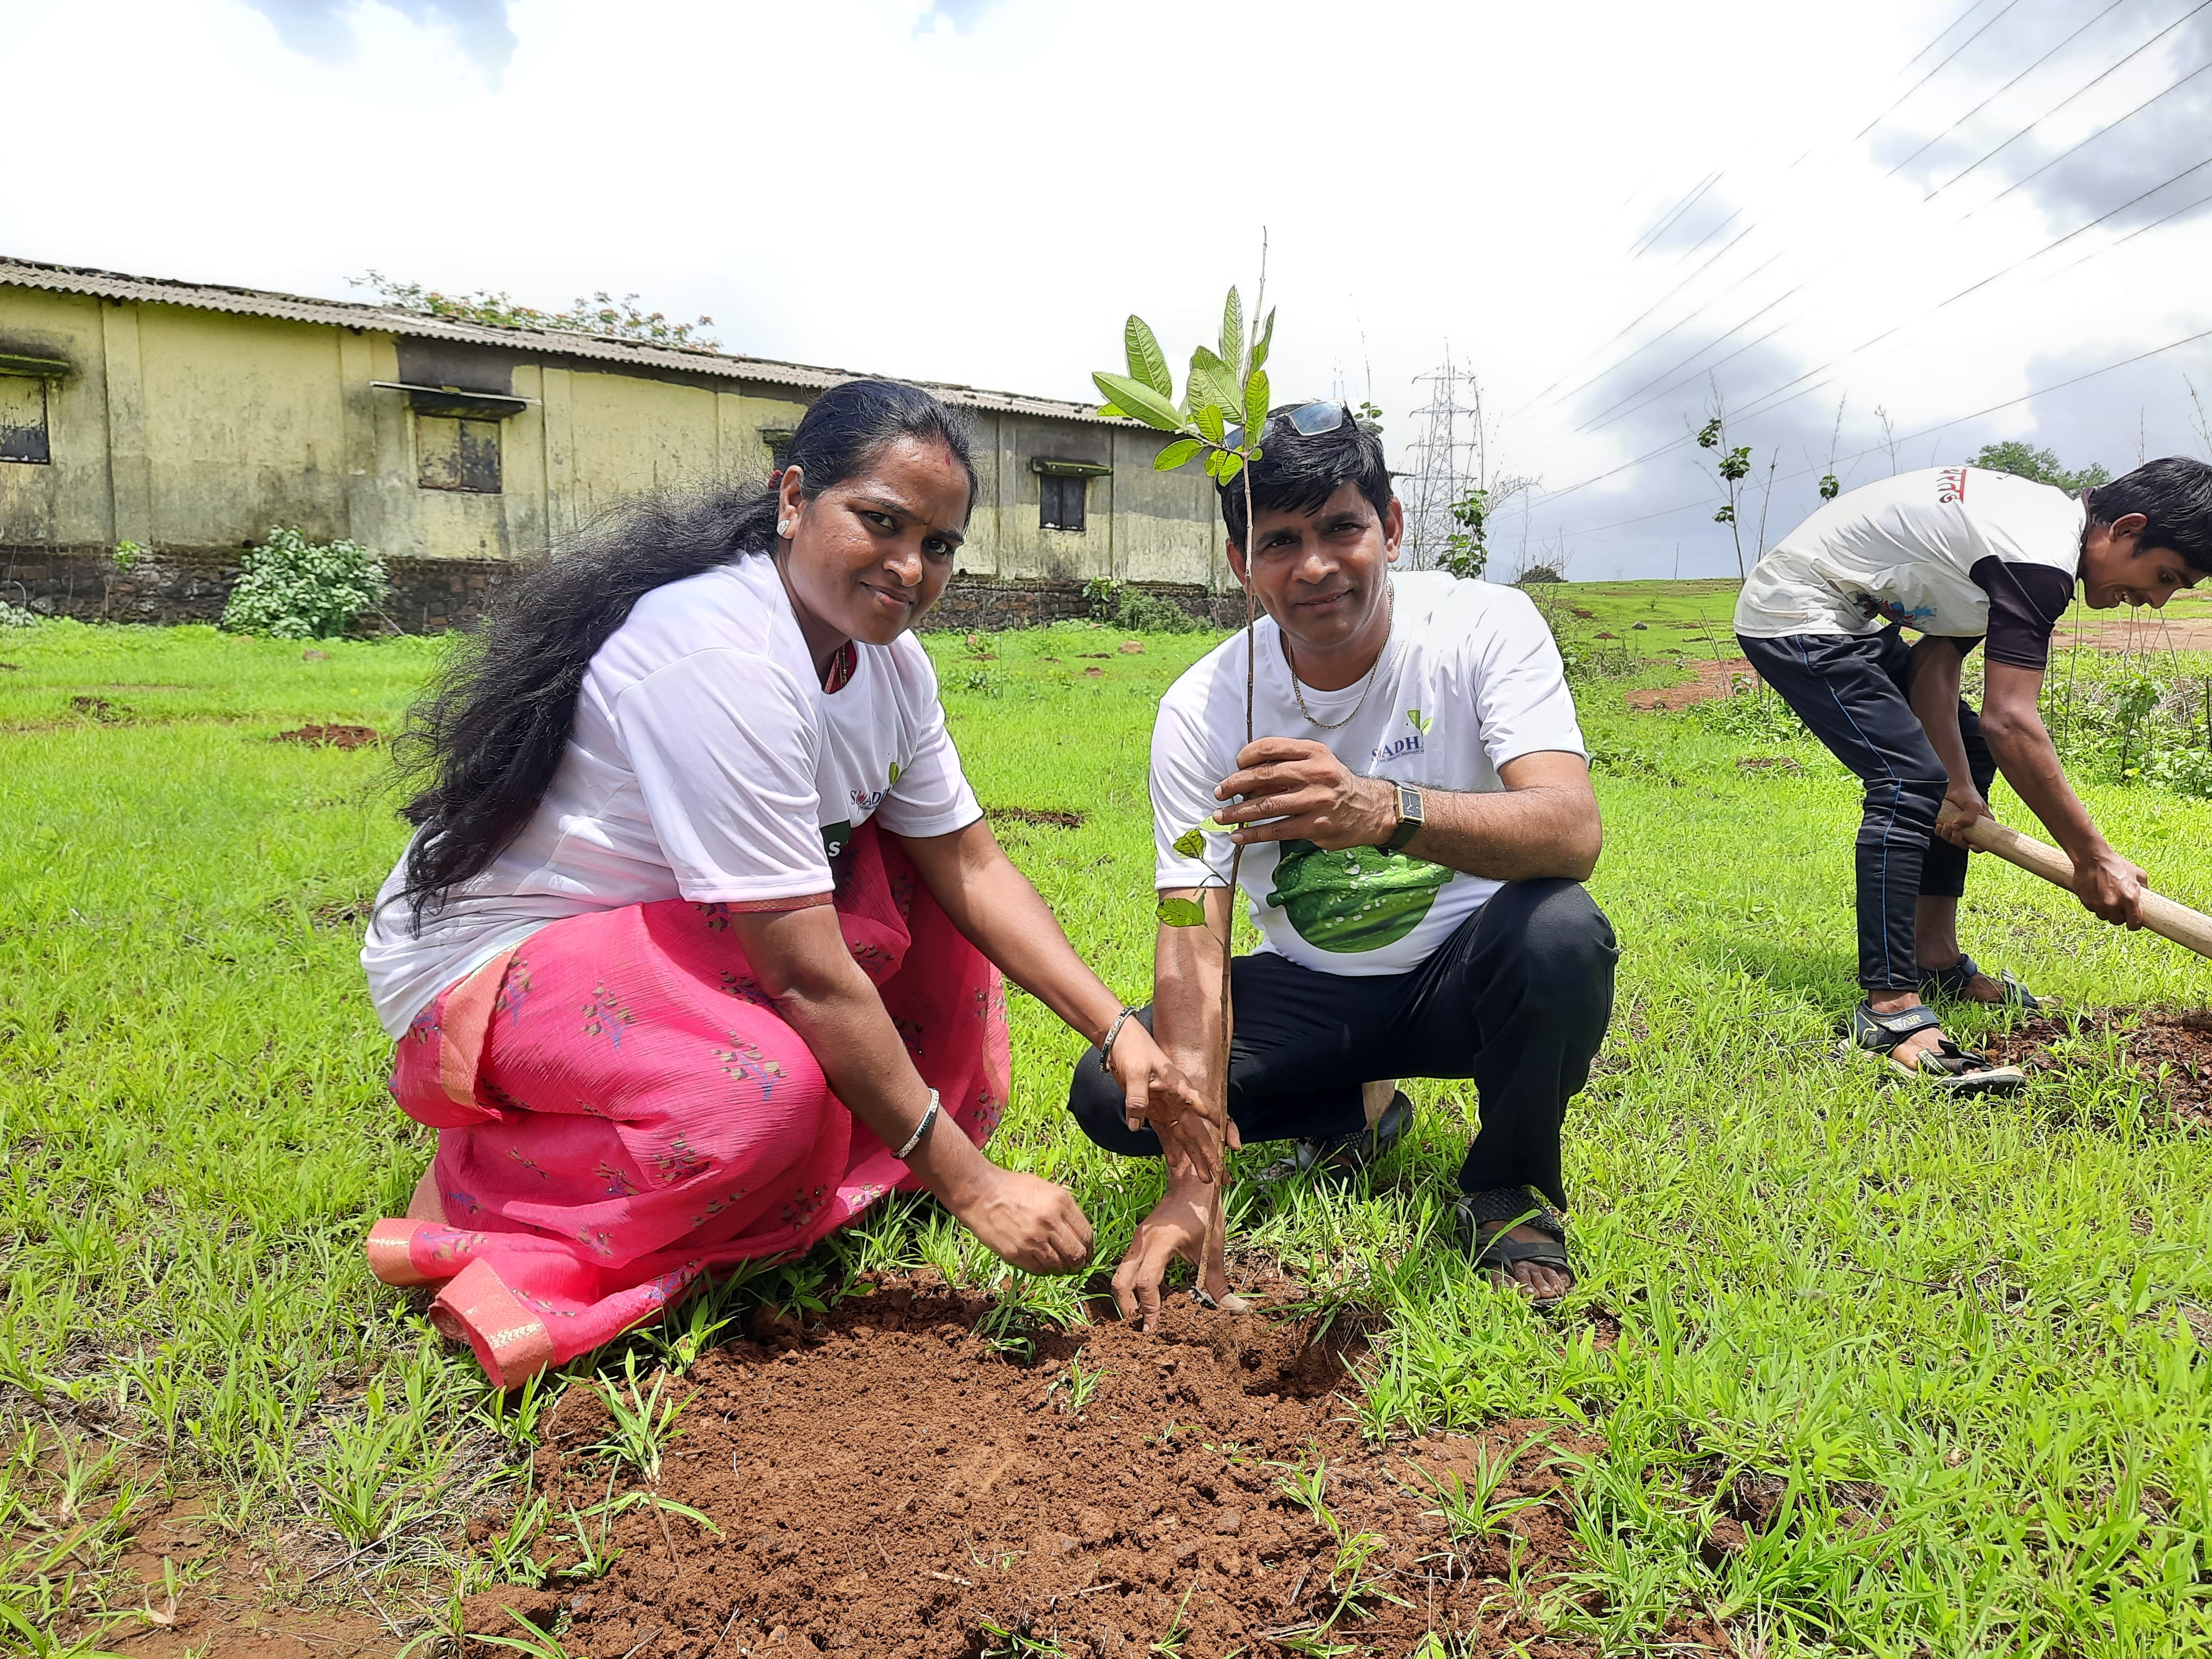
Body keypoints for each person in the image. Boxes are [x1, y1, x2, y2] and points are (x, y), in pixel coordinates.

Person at [360, 379, 1215, 1386]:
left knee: (927, 913)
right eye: (883, 522)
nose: (910, 567)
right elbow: (807, 974)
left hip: (676, 934)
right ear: (795, 499)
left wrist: (1120, 1033)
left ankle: (819, 1164)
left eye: (939, 546)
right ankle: (483, 1196)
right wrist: (974, 1188)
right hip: (503, 968)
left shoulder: (889, 670)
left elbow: (972, 865)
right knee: (765, 1101)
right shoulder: (717, 653)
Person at [1065, 402, 1618, 1327]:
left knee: (1561, 933)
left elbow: (1572, 831)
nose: (1316, 565)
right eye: (1280, 540)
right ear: (1242, 564)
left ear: (1391, 527)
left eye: (1342, 528)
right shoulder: (1206, 709)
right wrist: (1194, 1181)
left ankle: (1512, 1184)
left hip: (1466, 982)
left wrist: (1379, 810)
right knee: (1107, 1089)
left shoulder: (1482, 628)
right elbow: (1190, 934)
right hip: (1312, 987)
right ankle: (1356, 1114)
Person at [1733, 456, 2212, 1091]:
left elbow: (1935, 660)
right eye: (2164, 577)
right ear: (2126, 528)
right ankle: (1891, 1011)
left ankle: (1933, 959)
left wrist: (1960, 785)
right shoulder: (2035, 556)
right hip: (1797, 614)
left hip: (1841, 612)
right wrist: (2093, 858)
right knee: (1907, 782)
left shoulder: (2034, 534)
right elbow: (2011, 722)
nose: (2154, 601)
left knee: (1954, 756)